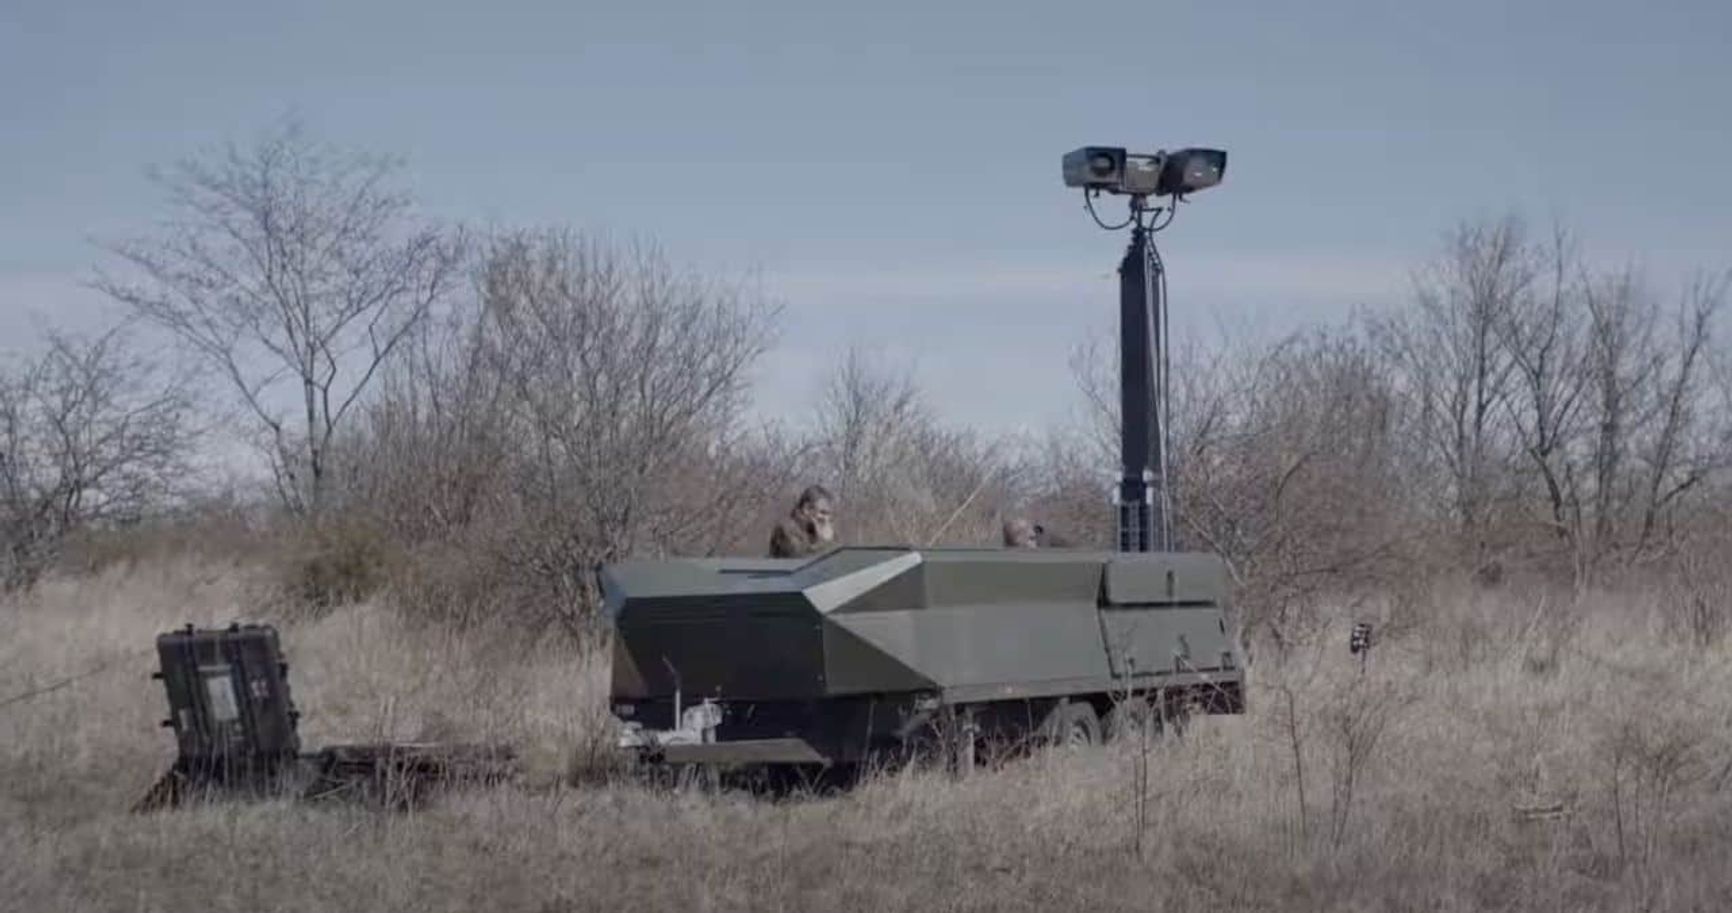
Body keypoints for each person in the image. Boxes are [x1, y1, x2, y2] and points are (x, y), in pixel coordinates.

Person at [769, 485, 836, 558]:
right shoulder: (785, 530)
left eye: (828, 514)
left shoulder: (824, 530)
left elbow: (837, 557)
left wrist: (830, 541)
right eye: (822, 513)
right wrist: (824, 541)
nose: (826, 519)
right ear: (806, 509)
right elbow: (800, 558)